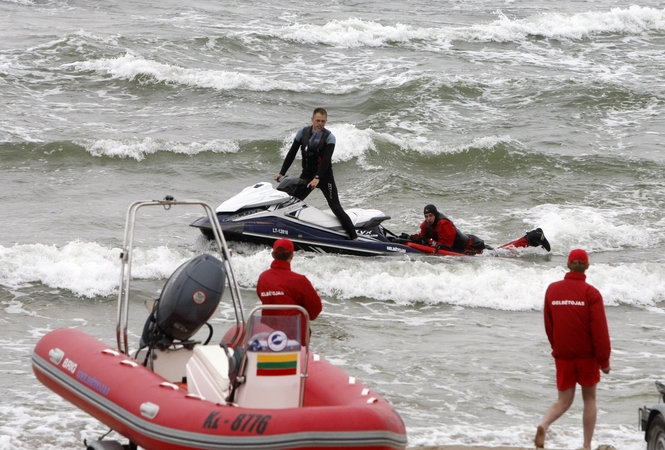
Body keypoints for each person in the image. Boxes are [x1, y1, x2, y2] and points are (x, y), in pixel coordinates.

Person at [534, 249, 611, 450]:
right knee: (590, 399)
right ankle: (586, 446)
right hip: (587, 356)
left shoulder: (552, 290)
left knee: (564, 401)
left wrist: (556, 348)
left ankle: (544, 424)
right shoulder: (591, 293)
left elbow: (549, 325)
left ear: (568, 265)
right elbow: (599, 330)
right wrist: (604, 361)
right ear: (587, 267)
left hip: (564, 354)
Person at [274, 108, 358, 240]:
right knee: (292, 202)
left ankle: (354, 238)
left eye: (323, 121)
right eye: (317, 120)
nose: (320, 123)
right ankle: (284, 231)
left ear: (326, 121)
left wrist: (317, 178)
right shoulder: (302, 133)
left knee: (336, 207)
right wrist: (281, 173)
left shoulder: (329, 137)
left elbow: (326, 161)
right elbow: (291, 154)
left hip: (324, 177)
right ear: (312, 119)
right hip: (307, 176)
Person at [256, 238, 322, 344]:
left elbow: (262, 297)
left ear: (273, 255)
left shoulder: (263, 277)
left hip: (268, 337)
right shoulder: (300, 280)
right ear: (292, 256)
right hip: (295, 339)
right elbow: (315, 311)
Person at [404, 204, 489, 254]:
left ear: (435, 215)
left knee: (497, 255)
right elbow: (422, 236)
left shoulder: (444, 224)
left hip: (473, 246)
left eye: (431, 215)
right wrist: (410, 238)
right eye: (426, 216)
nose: (428, 218)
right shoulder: (426, 225)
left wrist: (427, 242)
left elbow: (446, 246)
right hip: (462, 246)